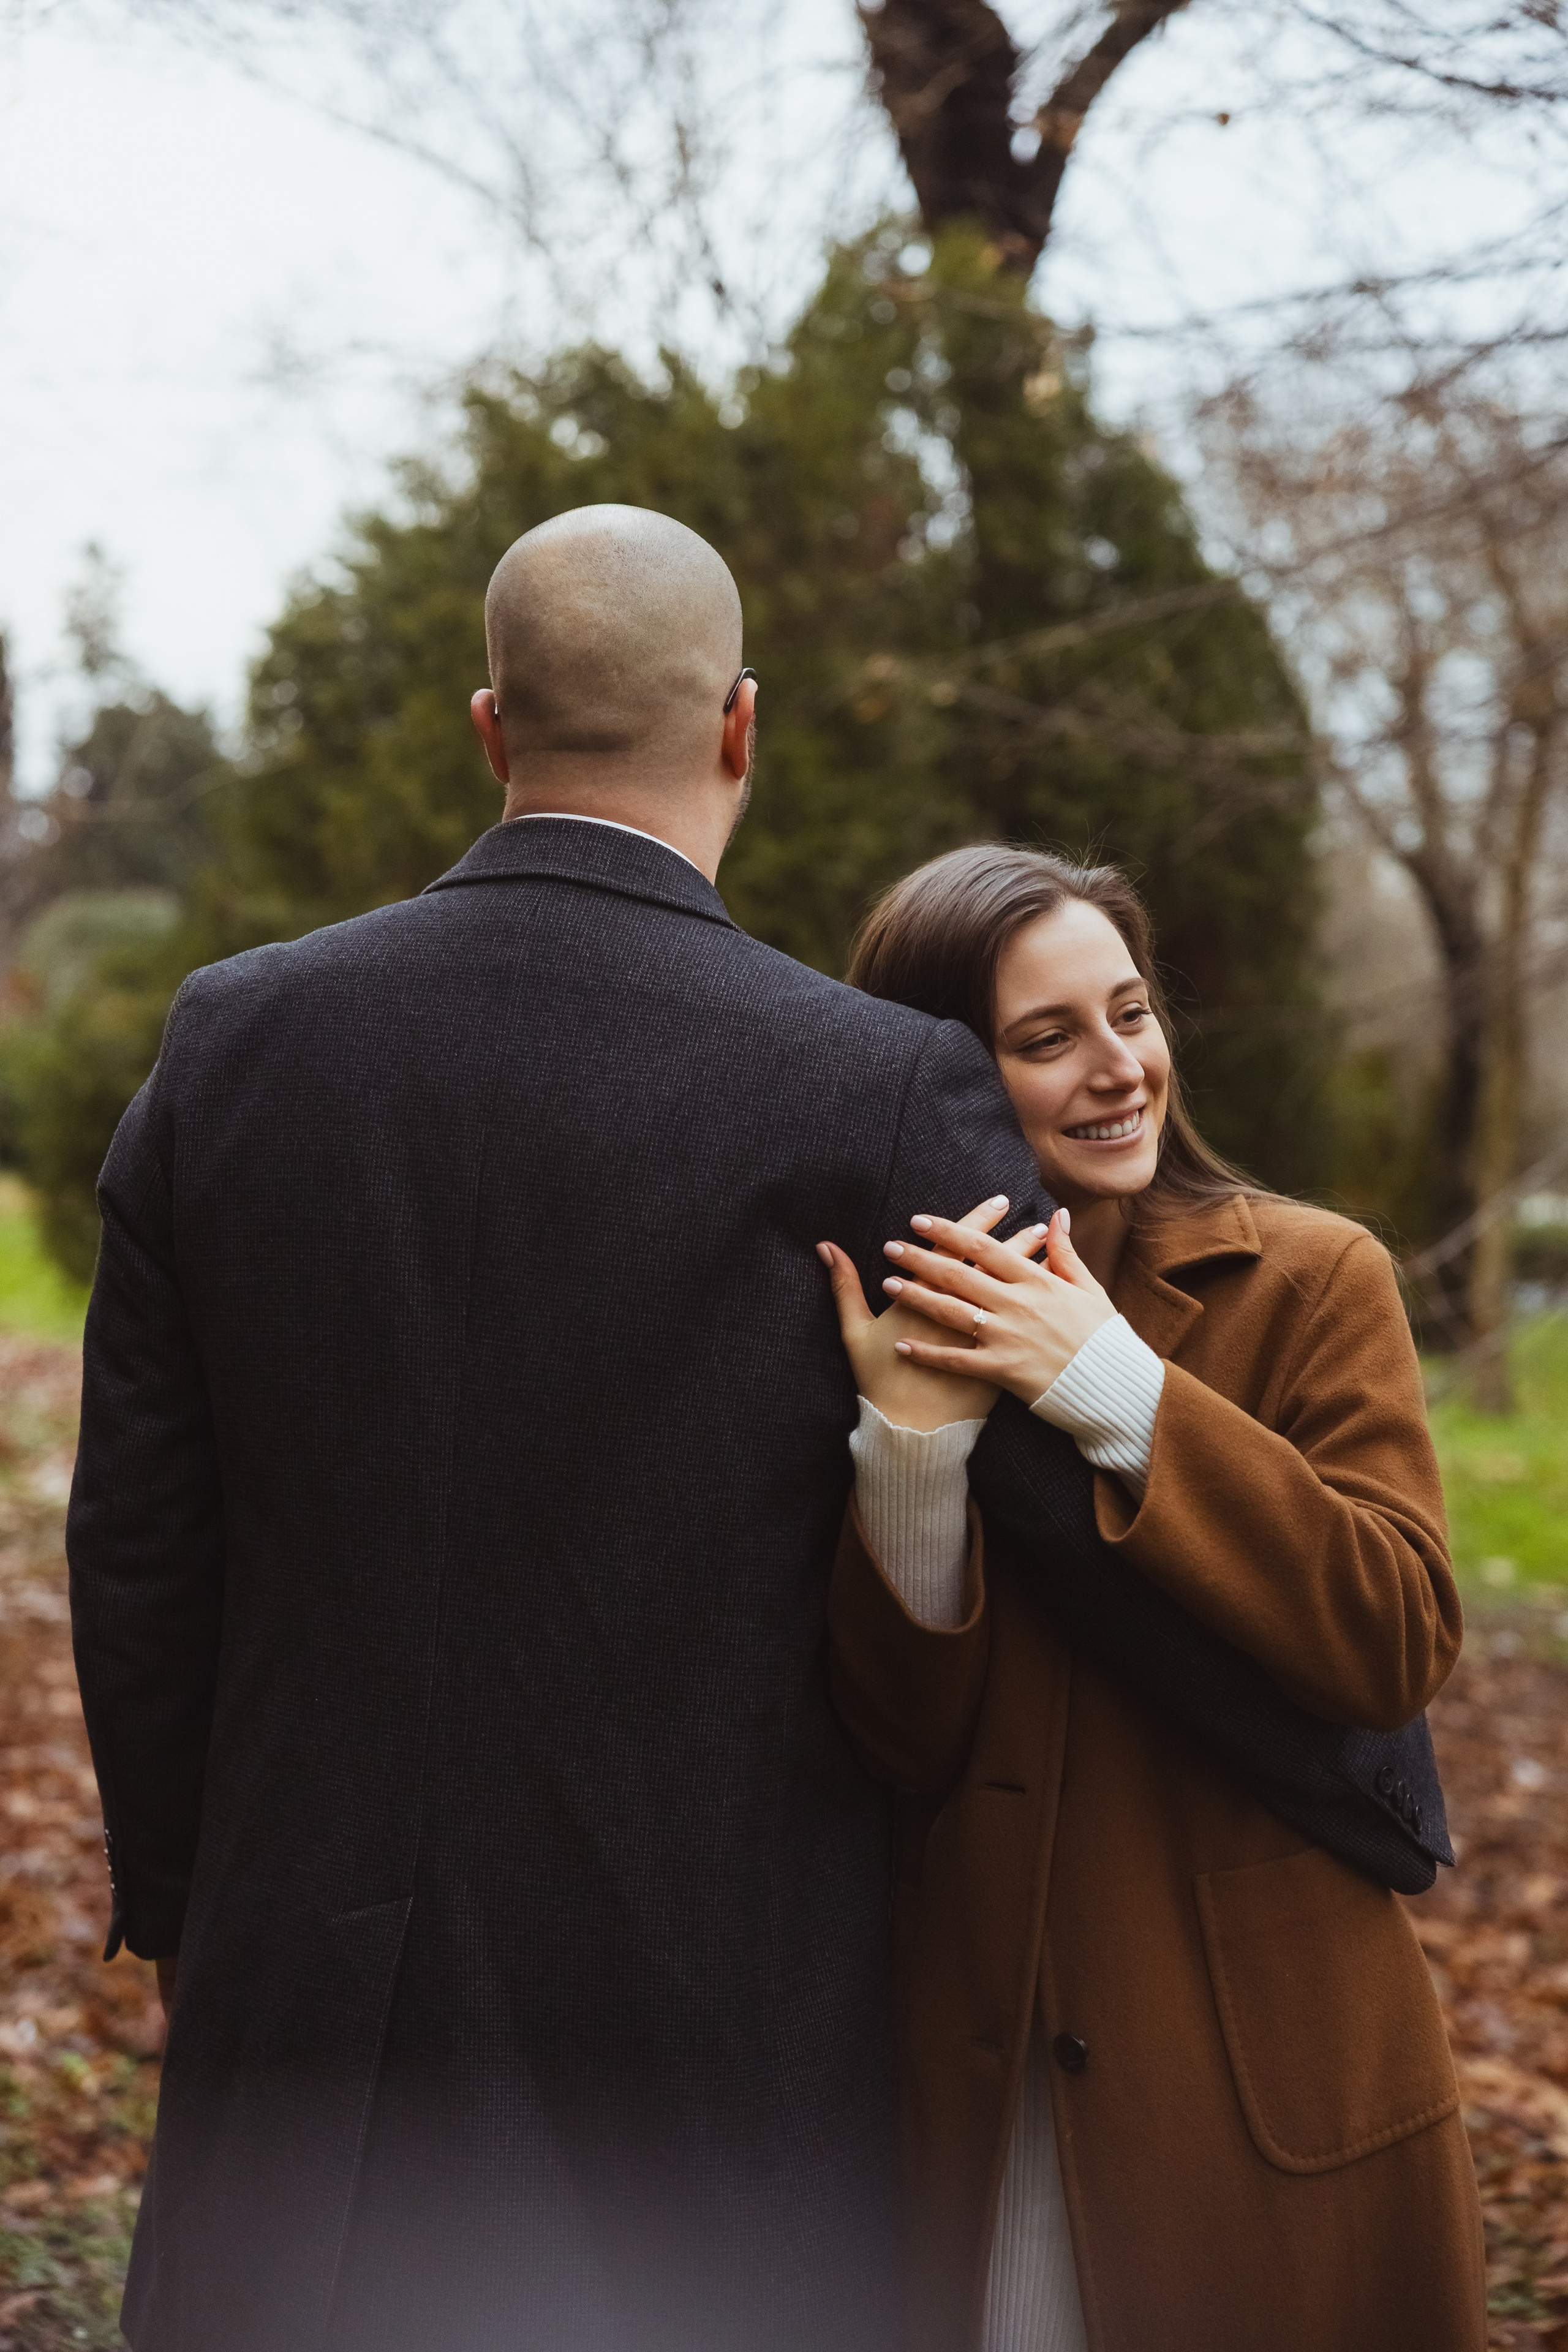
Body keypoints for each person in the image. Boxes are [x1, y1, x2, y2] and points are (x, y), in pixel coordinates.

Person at [66, 506, 1118, 2352]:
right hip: (721, 2027)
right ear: (741, 727)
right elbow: (1043, 1546)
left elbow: (144, 1540)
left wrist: (187, 1890)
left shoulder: (234, 1039)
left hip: (310, 1994)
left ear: (492, 729)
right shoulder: (880, 1089)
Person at [819, 843, 1486, 2352]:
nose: (1119, 1069)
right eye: (1046, 1039)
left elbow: (1390, 1637)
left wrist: (1110, 1384)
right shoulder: (880, 1319)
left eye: (1130, 1014)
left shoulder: (1311, 1280)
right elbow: (893, 1745)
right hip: (983, 2083)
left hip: (1255, 2076)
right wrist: (911, 1458)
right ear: (946, 1075)